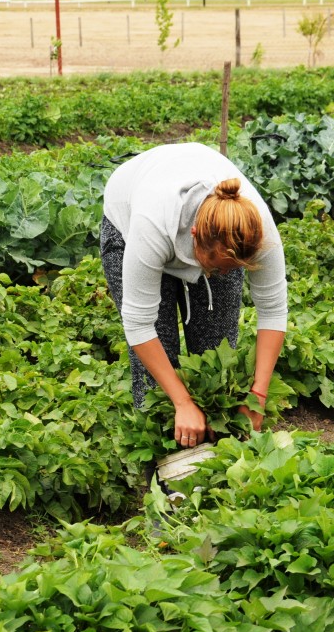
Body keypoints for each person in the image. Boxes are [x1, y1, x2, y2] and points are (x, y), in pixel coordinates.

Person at [100, 142, 288, 448]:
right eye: (217, 266)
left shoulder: (256, 230)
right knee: (157, 376)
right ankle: (165, 471)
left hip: (207, 233)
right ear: (195, 237)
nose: (223, 275)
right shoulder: (152, 225)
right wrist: (182, 402)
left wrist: (258, 395)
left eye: (232, 268)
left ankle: (216, 458)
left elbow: (274, 311)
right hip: (129, 218)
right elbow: (138, 325)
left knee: (217, 360)